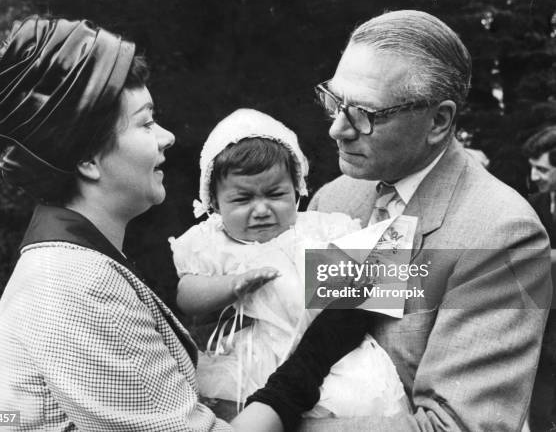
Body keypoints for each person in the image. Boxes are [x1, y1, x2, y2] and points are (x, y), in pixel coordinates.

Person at [0, 16, 366, 432]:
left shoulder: (69, 265)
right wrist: (310, 362)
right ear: (86, 159)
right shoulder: (78, 285)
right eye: (145, 122)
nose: (168, 137)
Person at [308, 9, 552, 431]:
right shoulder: (334, 199)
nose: (337, 129)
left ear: (438, 121)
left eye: (364, 113)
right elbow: (306, 347)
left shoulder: (501, 232)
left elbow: (456, 425)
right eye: (335, 101)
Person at [171, 108, 410, 421]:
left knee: (354, 405)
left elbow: (375, 279)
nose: (261, 210)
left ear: (296, 188)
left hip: (329, 355)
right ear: (214, 202)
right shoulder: (214, 243)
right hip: (253, 359)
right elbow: (186, 294)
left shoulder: (318, 230)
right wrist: (231, 285)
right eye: (242, 200)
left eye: (275, 194)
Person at [522, 126, 556, 431]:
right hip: (541, 328)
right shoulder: (533, 206)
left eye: (542, 170)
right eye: (532, 169)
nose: (535, 177)